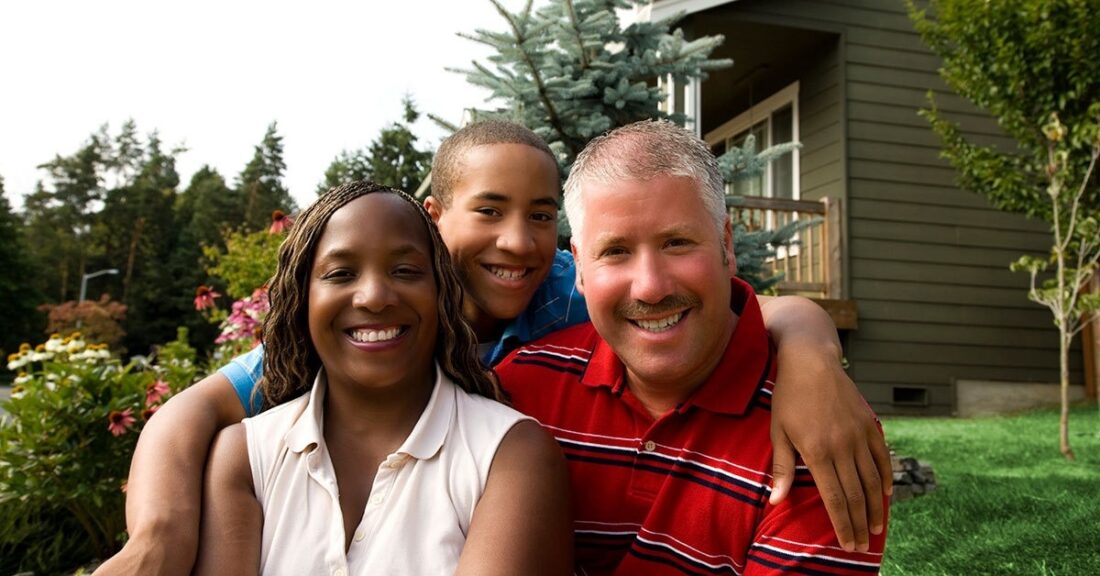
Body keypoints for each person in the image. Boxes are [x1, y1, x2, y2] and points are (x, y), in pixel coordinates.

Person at [97, 121, 887, 575]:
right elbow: (195, 411)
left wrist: (808, 344)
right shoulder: (521, 379)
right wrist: (158, 538)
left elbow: (743, 312)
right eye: (615, 251)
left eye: (541, 218)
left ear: (725, 244)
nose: (518, 242)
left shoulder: (556, 330)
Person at [496, 119, 889, 575]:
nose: (650, 288)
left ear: (726, 244)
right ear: (580, 267)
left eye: (677, 243)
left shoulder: (824, 429)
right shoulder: (519, 392)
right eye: (616, 251)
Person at [192, 182, 572, 575]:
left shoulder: (509, 455)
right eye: (341, 273)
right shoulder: (245, 458)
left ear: (442, 293)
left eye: (406, 271)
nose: (374, 297)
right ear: (301, 298)